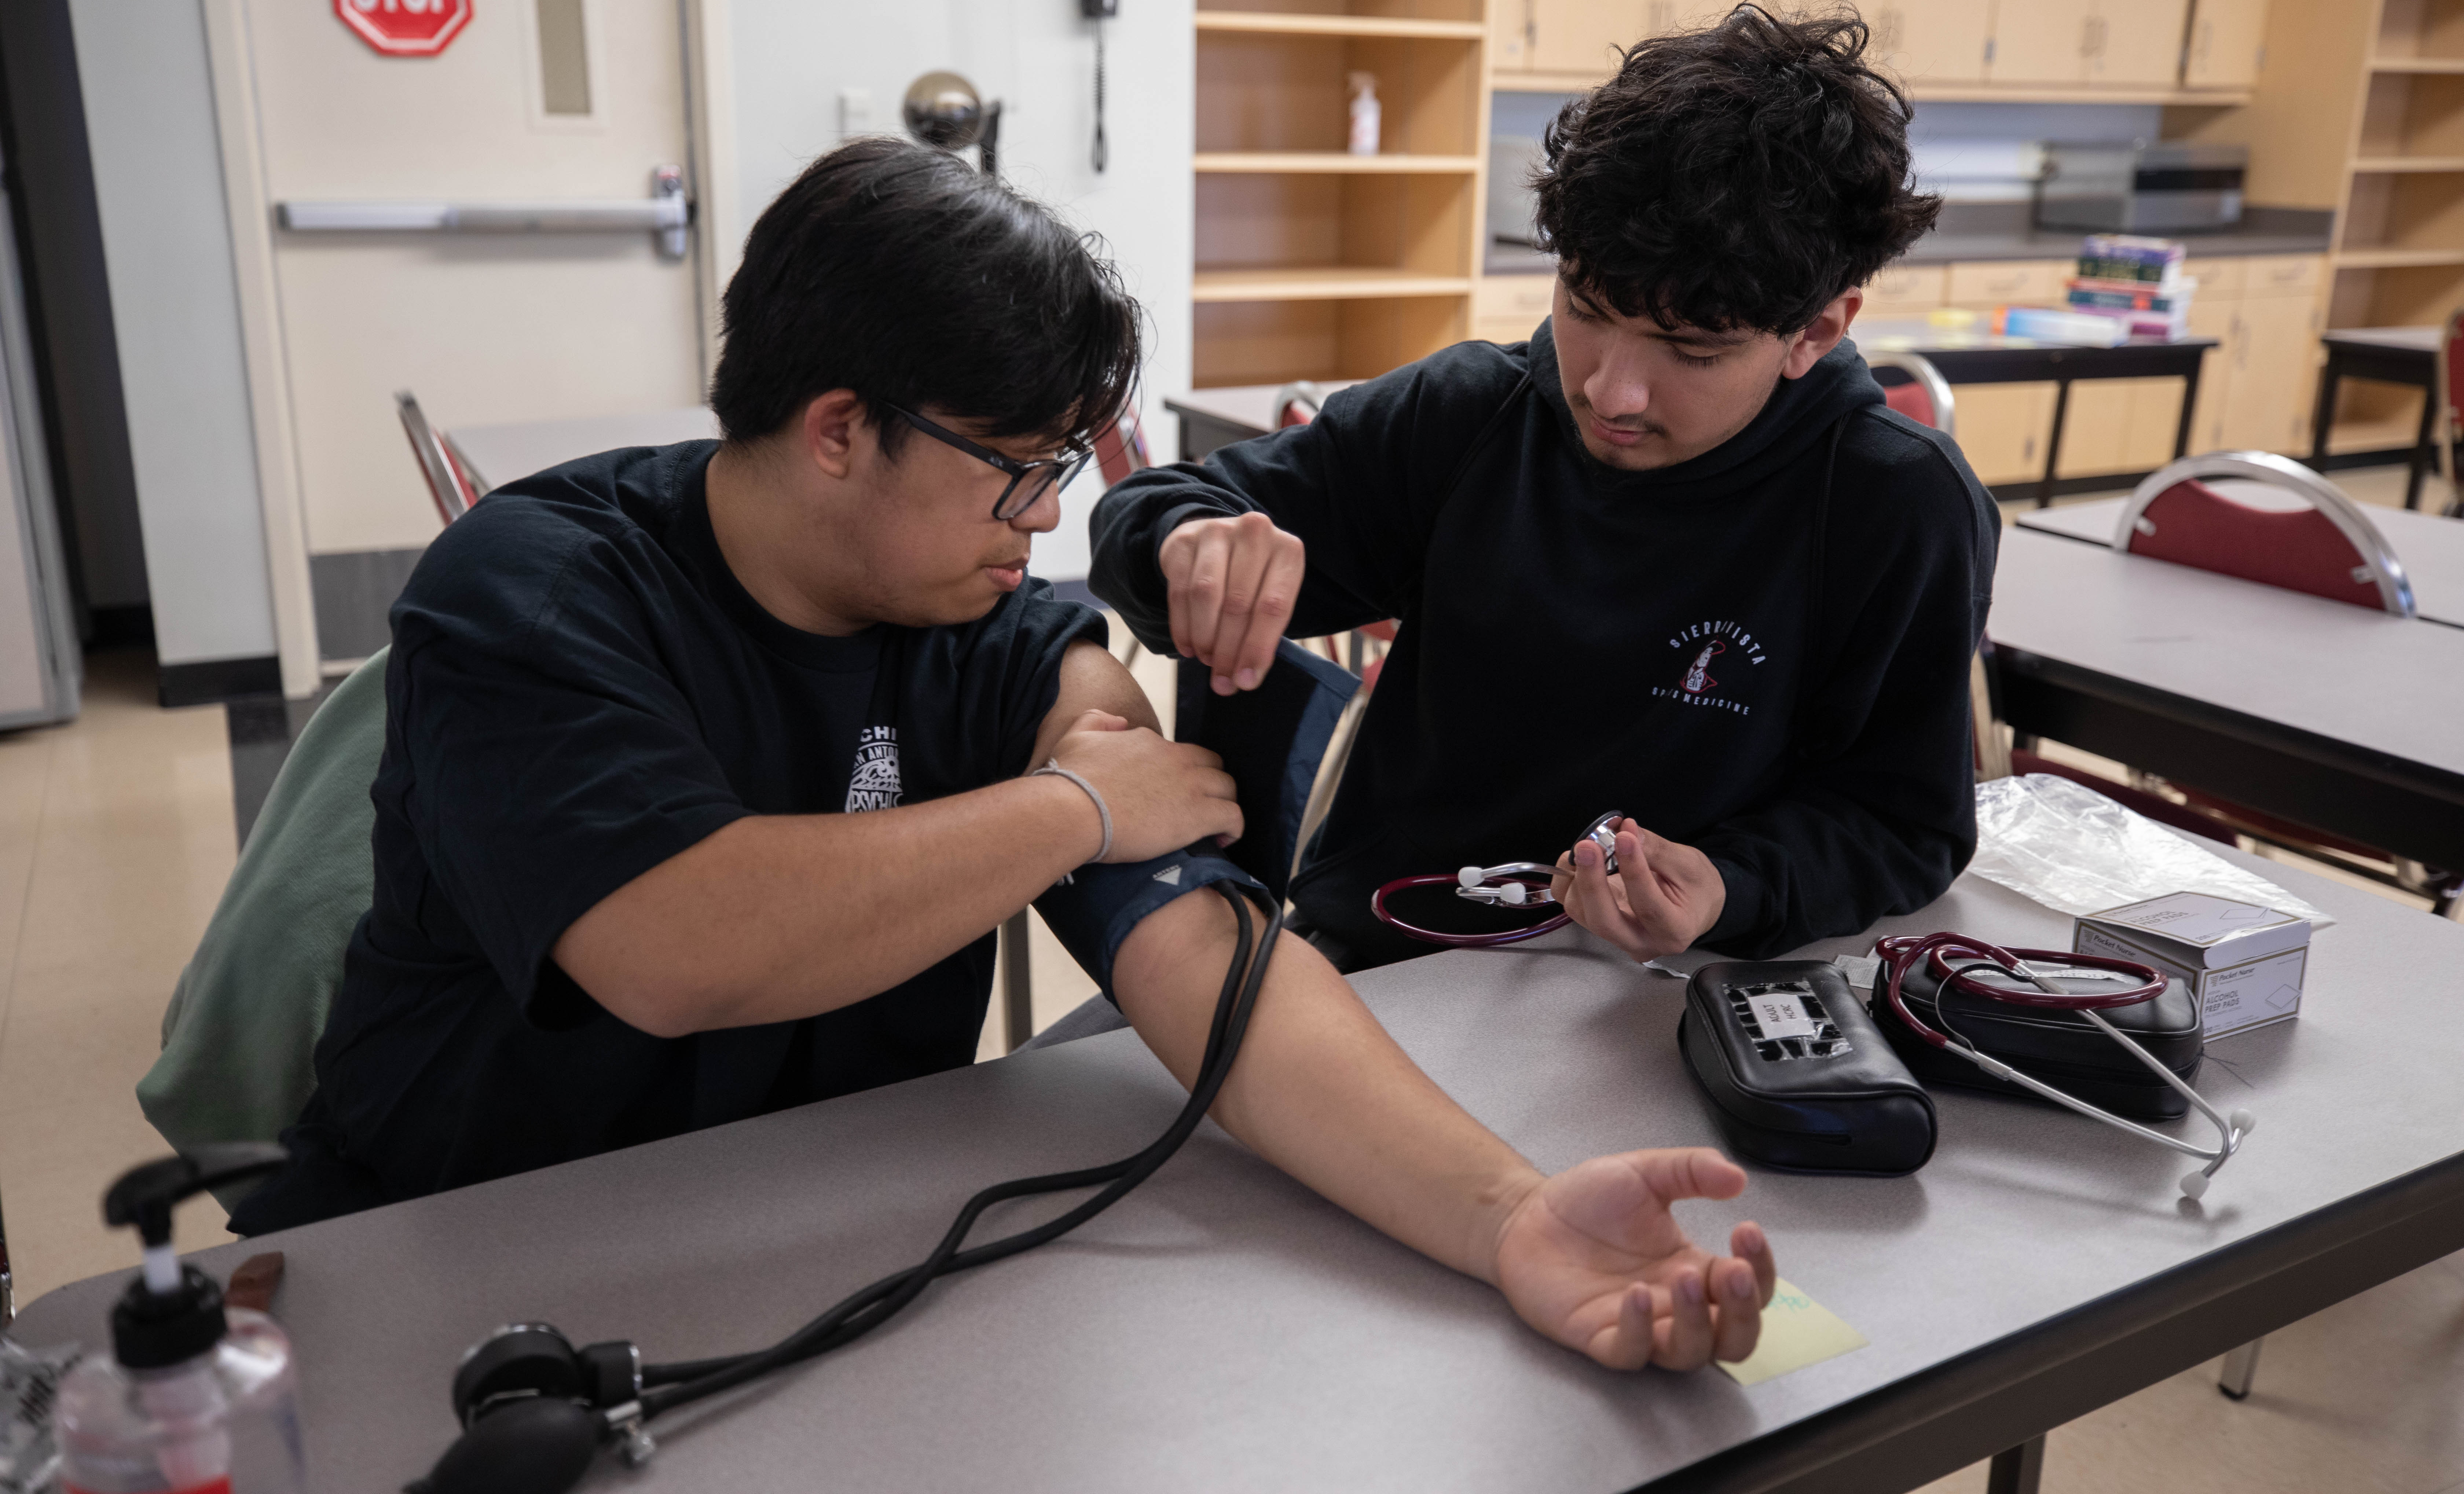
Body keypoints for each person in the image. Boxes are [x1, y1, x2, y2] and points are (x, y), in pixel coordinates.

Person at [228, 138, 1774, 1373]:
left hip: (805, 1252)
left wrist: (1510, 1218)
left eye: (1062, 470)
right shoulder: (531, 591)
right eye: (1017, 470)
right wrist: (1072, 806)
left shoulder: (980, 623)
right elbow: (671, 939)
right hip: (444, 1253)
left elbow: (1202, 961)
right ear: (839, 428)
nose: (1046, 521)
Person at [1091, 5, 1999, 972]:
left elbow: (1903, 825)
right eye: (1584, 307)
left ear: (1816, 332)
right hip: (1388, 956)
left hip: (1666, 991)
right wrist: (1186, 542)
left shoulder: (1893, 505)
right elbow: (1146, 514)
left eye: (1693, 349)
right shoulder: (1473, 416)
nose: (1611, 391)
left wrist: (1733, 884)